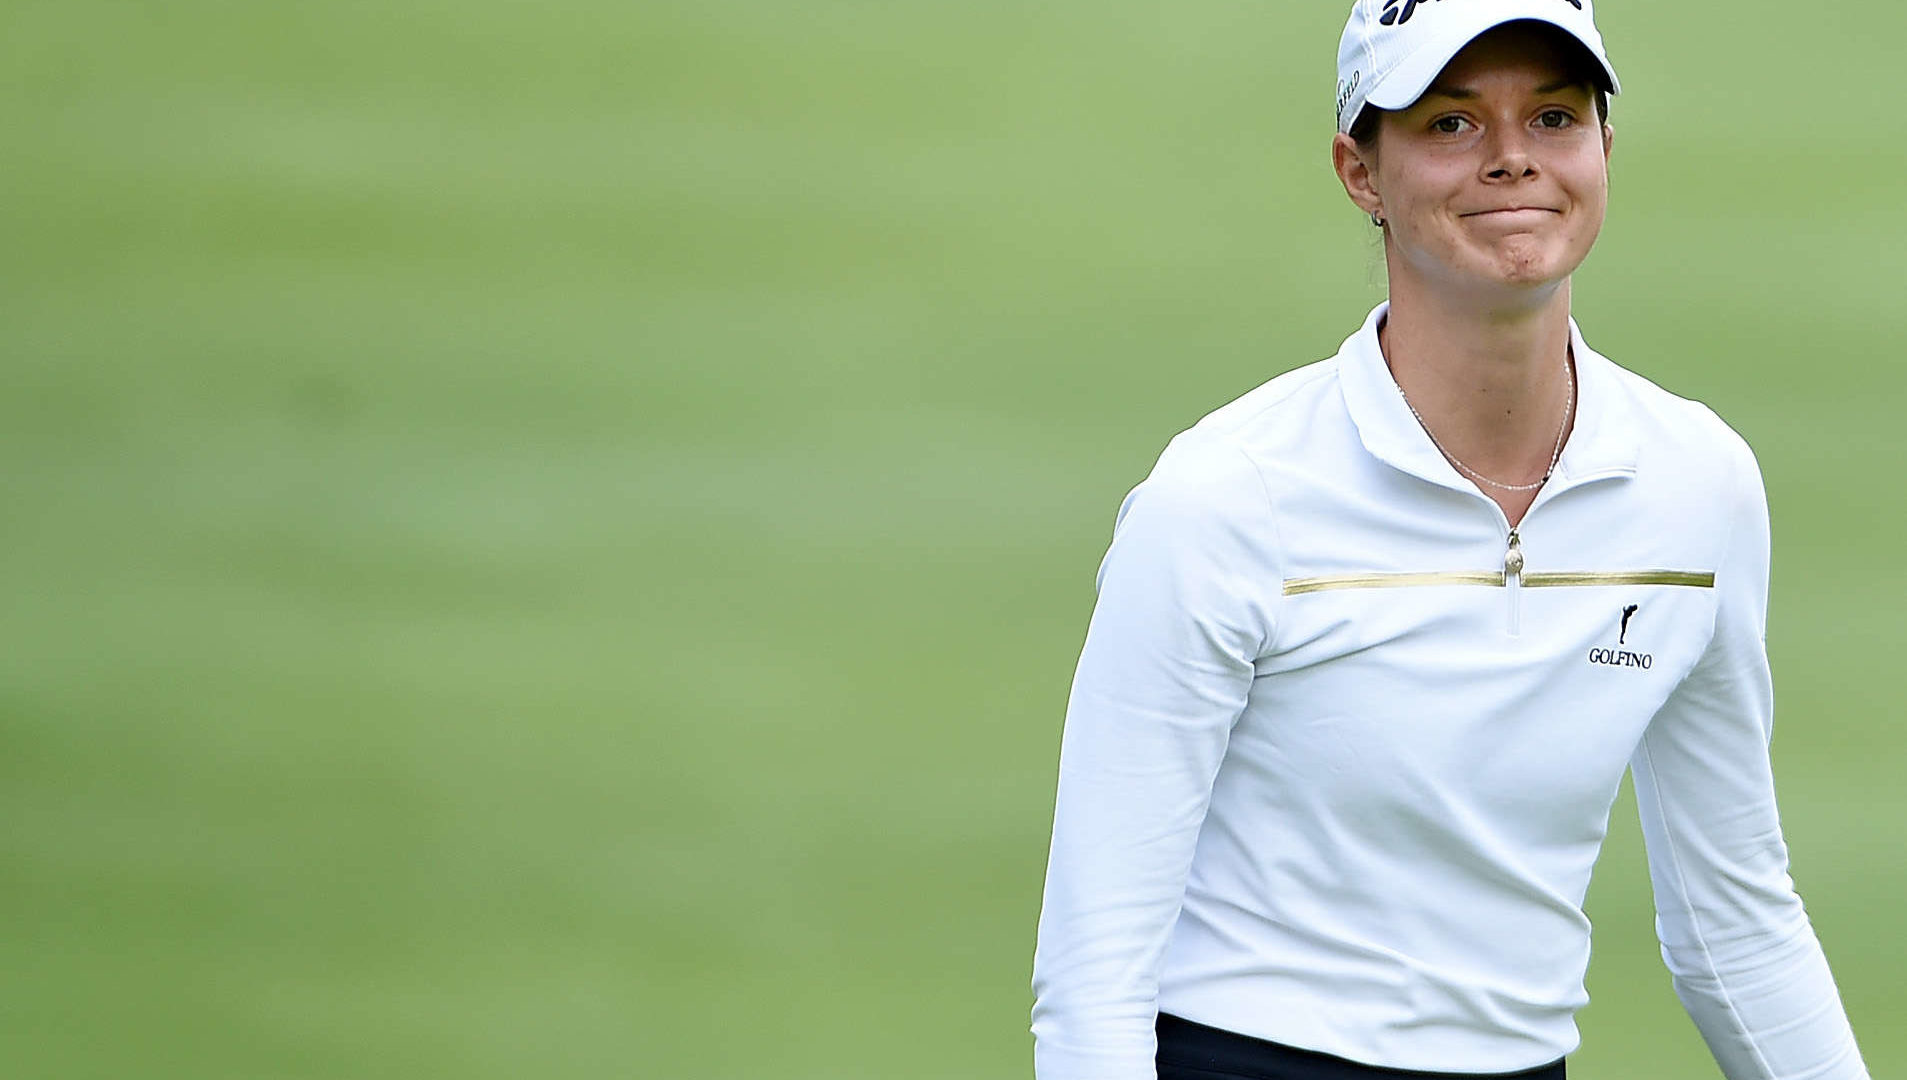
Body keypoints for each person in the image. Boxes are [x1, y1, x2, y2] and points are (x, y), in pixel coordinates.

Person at [1028, 1, 1872, 1078]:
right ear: (1358, 172)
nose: (1512, 158)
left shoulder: (1694, 484)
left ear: (1603, 150)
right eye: (1449, 125)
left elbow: (1734, 922)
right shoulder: (1223, 498)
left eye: (1554, 117)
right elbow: (1093, 976)